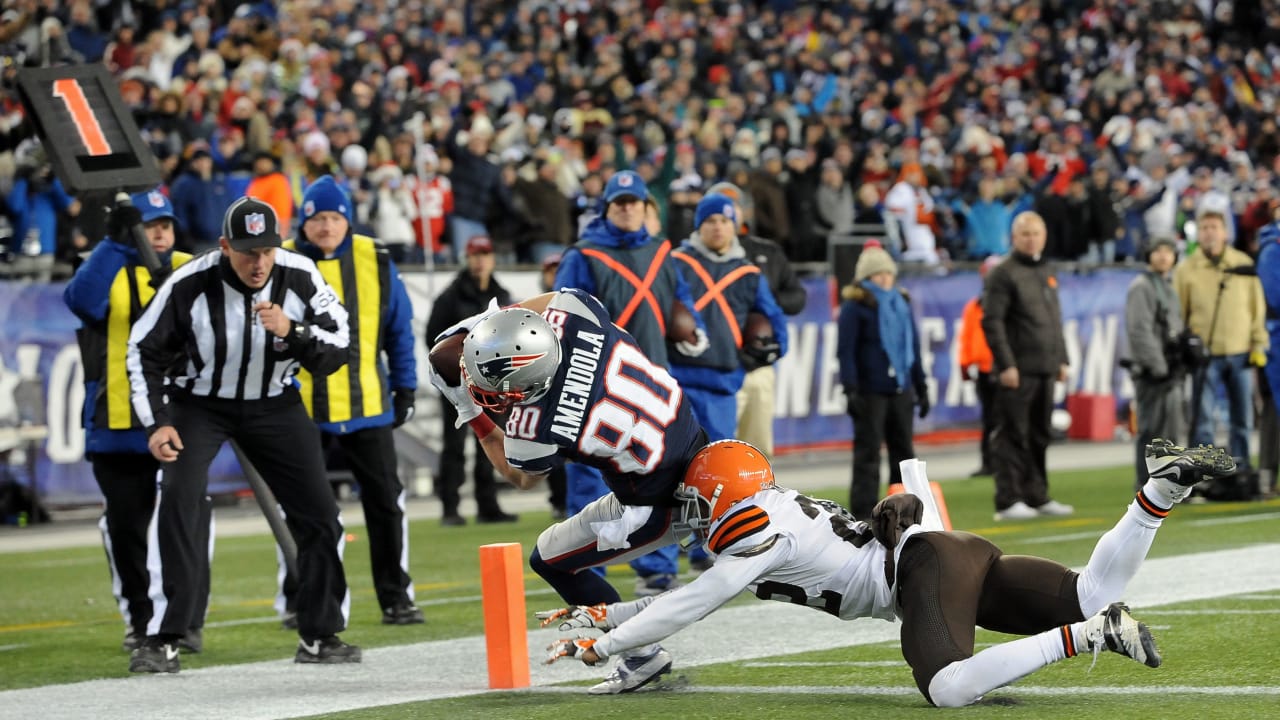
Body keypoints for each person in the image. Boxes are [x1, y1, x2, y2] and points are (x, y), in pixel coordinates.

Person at [539, 438, 1238, 707]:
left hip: (923, 569)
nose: (691, 511)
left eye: (696, 498)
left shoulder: (758, 531)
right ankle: (1158, 493)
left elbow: (696, 602)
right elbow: (689, 595)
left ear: (721, 494)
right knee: (1091, 589)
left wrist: (605, 644)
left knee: (949, 689)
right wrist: (602, 617)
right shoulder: (776, 513)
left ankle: (1092, 638)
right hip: (951, 550)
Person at [427, 288, 709, 694]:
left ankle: (641, 656)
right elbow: (537, 306)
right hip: (694, 447)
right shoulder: (577, 312)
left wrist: (470, 412)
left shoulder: (533, 429)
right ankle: (642, 652)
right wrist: (487, 330)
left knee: (552, 560)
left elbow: (521, 478)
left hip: (658, 500)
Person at [126, 197, 359, 672]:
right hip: (198, 403)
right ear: (224, 245)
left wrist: (292, 331)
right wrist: (158, 422)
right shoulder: (190, 281)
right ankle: (167, 634)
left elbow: (340, 345)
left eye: (267, 250)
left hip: (274, 401)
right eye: (248, 251)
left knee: (320, 515)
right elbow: (141, 349)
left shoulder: (300, 274)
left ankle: (319, 634)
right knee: (179, 501)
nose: (259, 262)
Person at [63, 188, 210, 653]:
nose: (160, 233)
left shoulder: (192, 266)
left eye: (164, 223)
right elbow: (81, 302)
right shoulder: (105, 266)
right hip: (120, 423)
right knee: (127, 528)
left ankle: (186, 619)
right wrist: (114, 246)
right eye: (149, 225)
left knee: (187, 522)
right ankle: (140, 620)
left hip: (183, 419)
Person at [551, 170, 706, 596]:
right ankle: (582, 566)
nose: (626, 208)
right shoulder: (583, 254)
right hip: (595, 385)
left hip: (650, 381)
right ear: (607, 207)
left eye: (633, 202)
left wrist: (695, 329)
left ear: (644, 206)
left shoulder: (661, 250)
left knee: (658, 476)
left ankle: (658, 568)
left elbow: (681, 299)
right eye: (619, 202)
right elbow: (562, 315)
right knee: (590, 481)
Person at [282, 176, 423, 626]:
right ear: (304, 223)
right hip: (303, 410)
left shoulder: (375, 258)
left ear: (348, 220)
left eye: (334, 217)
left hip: (369, 406)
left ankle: (396, 596)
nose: (326, 227)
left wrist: (405, 387)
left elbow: (399, 330)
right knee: (303, 510)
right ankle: (297, 595)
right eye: (317, 218)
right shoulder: (281, 258)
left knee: (385, 503)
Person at [670, 193, 789, 443]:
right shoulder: (675, 263)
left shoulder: (749, 274)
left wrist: (771, 351)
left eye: (724, 220)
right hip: (677, 379)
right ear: (699, 225)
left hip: (723, 382)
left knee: (717, 468)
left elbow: (775, 319)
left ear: (734, 226)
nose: (718, 227)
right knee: (672, 468)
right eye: (711, 220)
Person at [981, 212, 1074, 521]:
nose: (1031, 238)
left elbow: (1054, 319)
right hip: (1017, 369)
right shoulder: (1003, 273)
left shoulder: (1047, 270)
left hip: (1045, 366)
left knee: (1039, 434)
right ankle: (1008, 500)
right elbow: (991, 322)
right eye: (1025, 233)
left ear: (1044, 236)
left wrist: (1062, 358)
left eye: (1036, 232)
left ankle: (1037, 494)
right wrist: (1006, 364)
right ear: (1014, 237)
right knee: (1011, 434)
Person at [705, 181, 807, 459]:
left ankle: (756, 501)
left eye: (728, 210)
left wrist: (764, 305)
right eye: (713, 215)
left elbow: (797, 296)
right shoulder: (691, 261)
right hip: (715, 367)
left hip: (758, 364)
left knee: (757, 451)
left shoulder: (768, 253)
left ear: (743, 211)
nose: (721, 221)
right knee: (715, 451)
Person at [424, 234, 517, 526]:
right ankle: (450, 508)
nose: (480, 260)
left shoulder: (500, 294)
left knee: (490, 442)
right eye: (475, 254)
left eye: (485, 254)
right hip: (458, 382)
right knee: (454, 446)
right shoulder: (450, 296)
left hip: (491, 382)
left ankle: (488, 505)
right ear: (468, 258)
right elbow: (434, 340)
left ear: (491, 258)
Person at [836, 244, 928, 520]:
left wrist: (920, 386)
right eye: (878, 274)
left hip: (901, 388)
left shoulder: (901, 303)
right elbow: (846, 351)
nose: (885, 279)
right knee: (868, 454)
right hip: (870, 391)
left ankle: (905, 509)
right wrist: (851, 388)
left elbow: (912, 347)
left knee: (904, 454)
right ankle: (864, 510)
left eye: (888, 272)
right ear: (865, 277)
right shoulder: (855, 307)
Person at [1173, 207, 1267, 469]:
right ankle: (1205, 474)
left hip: (1241, 351)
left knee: (1243, 419)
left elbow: (1256, 307)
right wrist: (1184, 346)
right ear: (1198, 235)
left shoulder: (1242, 264)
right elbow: (1179, 313)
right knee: (1203, 420)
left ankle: (1243, 470)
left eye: (1214, 227)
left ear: (1225, 233)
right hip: (1204, 355)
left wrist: (1259, 343)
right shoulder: (1186, 269)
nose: (1209, 233)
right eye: (1204, 228)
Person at [1124, 237, 1187, 491]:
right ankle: (1145, 484)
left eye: (1168, 251)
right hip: (1152, 371)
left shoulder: (1167, 285)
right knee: (1152, 430)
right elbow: (1139, 330)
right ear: (1148, 255)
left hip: (1169, 369)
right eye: (1158, 251)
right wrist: (1157, 365)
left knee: (1170, 430)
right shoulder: (1142, 286)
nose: (1163, 256)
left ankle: (1165, 483)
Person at [956, 255, 1002, 477]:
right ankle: (989, 463)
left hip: (1005, 368)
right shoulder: (974, 306)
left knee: (1007, 419)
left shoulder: (1003, 304)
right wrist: (964, 365)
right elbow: (966, 338)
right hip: (985, 369)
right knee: (990, 419)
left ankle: (1007, 465)